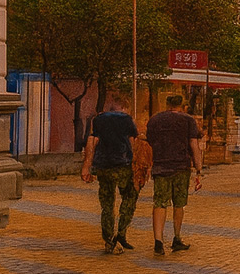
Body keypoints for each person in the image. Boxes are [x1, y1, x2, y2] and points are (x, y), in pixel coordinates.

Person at [80, 96, 140, 254]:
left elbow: (92, 142)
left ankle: (108, 239)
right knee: (129, 198)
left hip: (103, 167)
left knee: (107, 205)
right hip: (123, 166)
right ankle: (121, 234)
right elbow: (133, 142)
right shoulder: (127, 119)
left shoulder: (98, 119)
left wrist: (86, 166)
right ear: (124, 107)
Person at [145, 94, 202, 256]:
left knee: (160, 203)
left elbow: (149, 143)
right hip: (181, 167)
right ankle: (176, 238)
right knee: (179, 204)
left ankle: (158, 240)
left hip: (160, 166)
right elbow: (194, 145)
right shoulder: (188, 120)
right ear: (182, 105)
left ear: (167, 104)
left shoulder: (155, 120)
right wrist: (199, 169)